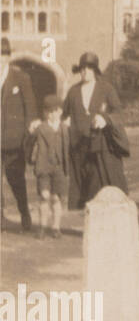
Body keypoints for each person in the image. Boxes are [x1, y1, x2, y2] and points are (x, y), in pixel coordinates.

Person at [63, 52, 128, 209]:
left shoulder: (106, 89)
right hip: (78, 146)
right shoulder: (73, 91)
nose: (85, 72)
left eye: (89, 68)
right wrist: (64, 122)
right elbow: (64, 114)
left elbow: (119, 112)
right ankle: (84, 219)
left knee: (98, 184)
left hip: (99, 145)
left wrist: (105, 119)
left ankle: (100, 220)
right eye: (82, 69)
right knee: (80, 187)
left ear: (95, 70)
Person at [1, 37, 37, 231]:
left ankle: (24, 211)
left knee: (16, 179)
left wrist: (28, 131)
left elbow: (30, 107)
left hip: (14, 141)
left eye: (2, 56)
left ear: (8, 58)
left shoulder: (21, 78)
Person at [27, 95, 70, 239]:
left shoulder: (65, 128)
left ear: (61, 112)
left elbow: (71, 147)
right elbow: (29, 143)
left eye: (55, 111)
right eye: (49, 112)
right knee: (44, 197)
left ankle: (56, 227)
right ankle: (42, 227)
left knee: (56, 198)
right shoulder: (40, 128)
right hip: (43, 168)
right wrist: (31, 131)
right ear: (45, 113)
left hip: (59, 168)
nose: (52, 114)